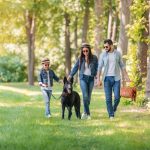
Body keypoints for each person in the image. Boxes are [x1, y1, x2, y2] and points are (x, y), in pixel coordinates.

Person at [97, 39, 130, 120]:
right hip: (106, 79)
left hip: (116, 78)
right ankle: (111, 115)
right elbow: (100, 67)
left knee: (117, 97)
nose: (105, 48)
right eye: (104, 47)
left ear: (111, 45)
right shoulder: (103, 55)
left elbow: (122, 65)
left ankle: (113, 108)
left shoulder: (118, 54)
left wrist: (126, 76)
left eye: (107, 46)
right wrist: (98, 79)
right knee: (108, 98)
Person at [67, 43, 98, 120]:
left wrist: (98, 78)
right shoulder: (80, 58)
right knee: (85, 96)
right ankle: (88, 114)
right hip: (83, 78)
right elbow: (75, 67)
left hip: (91, 79)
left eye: (86, 51)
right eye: (83, 51)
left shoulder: (94, 58)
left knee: (88, 98)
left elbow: (97, 68)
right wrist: (70, 75)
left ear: (89, 50)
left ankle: (84, 112)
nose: (85, 52)